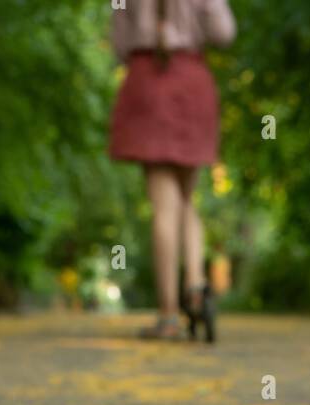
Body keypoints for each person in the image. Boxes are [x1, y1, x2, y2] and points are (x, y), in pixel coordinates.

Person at [109, 0, 237, 341]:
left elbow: (119, 42)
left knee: (163, 206)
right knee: (186, 198)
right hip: (191, 83)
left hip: (148, 82)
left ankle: (168, 314)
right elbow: (224, 33)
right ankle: (195, 285)